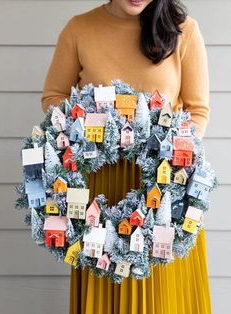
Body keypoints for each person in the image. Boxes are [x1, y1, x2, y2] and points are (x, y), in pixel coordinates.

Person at [41, 0, 211, 313]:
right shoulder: (80, 28)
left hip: (164, 187)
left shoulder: (183, 30)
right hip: (100, 185)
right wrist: (87, 128)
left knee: (163, 292)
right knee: (107, 282)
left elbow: (197, 111)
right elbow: (54, 97)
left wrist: (176, 161)